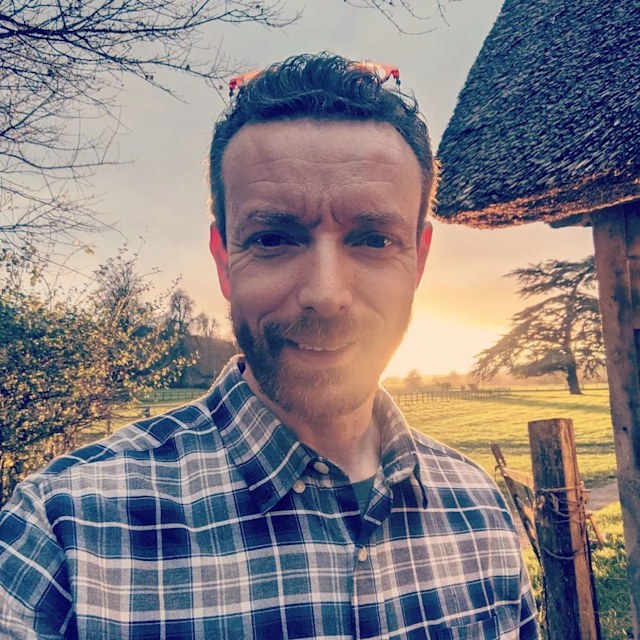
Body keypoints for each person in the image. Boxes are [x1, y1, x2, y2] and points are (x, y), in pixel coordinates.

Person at [0, 53, 538, 639]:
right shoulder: (62, 536)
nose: (326, 294)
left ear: (420, 259)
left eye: (375, 240)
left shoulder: (480, 511)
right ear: (223, 261)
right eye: (274, 238)